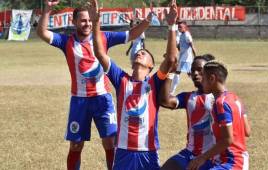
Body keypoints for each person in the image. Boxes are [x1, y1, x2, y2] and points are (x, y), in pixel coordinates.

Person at [37, 0, 151, 169]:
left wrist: (147, 20)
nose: (87, 24)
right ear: (74, 21)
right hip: (79, 101)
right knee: (76, 146)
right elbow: (42, 32)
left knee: (110, 143)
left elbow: (131, 34)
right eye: (83, 20)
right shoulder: (66, 42)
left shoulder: (104, 37)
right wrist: (47, 10)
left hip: (102, 99)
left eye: (90, 20)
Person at [89, 0, 178, 169]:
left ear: (151, 65)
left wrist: (172, 25)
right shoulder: (122, 79)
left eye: (143, 53)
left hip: (147, 151)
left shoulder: (154, 82)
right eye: (138, 52)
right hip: (123, 150)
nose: (139, 53)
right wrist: (96, 22)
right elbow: (100, 53)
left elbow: (172, 59)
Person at [188, 61, 250, 170]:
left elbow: (228, 139)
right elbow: (247, 131)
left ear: (212, 79)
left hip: (232, 162)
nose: (201, 81)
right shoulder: (235, 98)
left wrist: (202, 157)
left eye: (204, 78)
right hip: (236, 159)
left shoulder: (220, 103)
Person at [160, 54, 216, 170]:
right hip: (189, 153)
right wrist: (171, 72)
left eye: (200, 70)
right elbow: (165, 101)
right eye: (193, 70)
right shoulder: (188, 97)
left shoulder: (218, 98)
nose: (195, 73)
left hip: (211, 156)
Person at [170, 20, 196, 94]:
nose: (179, 28)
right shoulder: (181, 35)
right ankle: (202, 85)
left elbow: (192, 46)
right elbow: (180, 47)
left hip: (186, 59)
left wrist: (196, 57)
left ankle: (171, 92)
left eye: (180, 27)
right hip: (182, 58)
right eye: (178, 27)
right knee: (188, 74)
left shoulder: (187, 35)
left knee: (178, 73)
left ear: (185, 27)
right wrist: (177, 45)